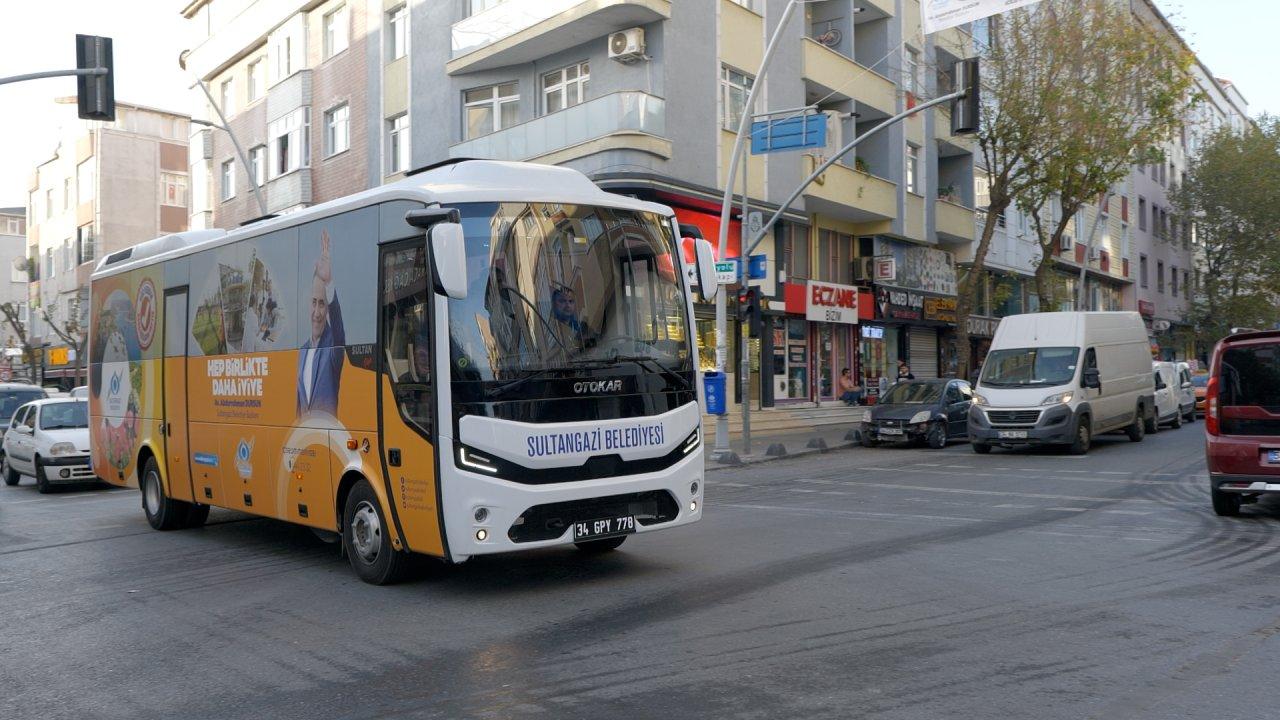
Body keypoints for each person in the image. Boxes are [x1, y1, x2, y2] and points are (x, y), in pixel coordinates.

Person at [297, 232, 345, 417]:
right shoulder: (301, 351)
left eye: (322, 303)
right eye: (314, 302)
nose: (317, 313)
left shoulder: (333, 346)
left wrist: (329, 282)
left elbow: (339, 332)